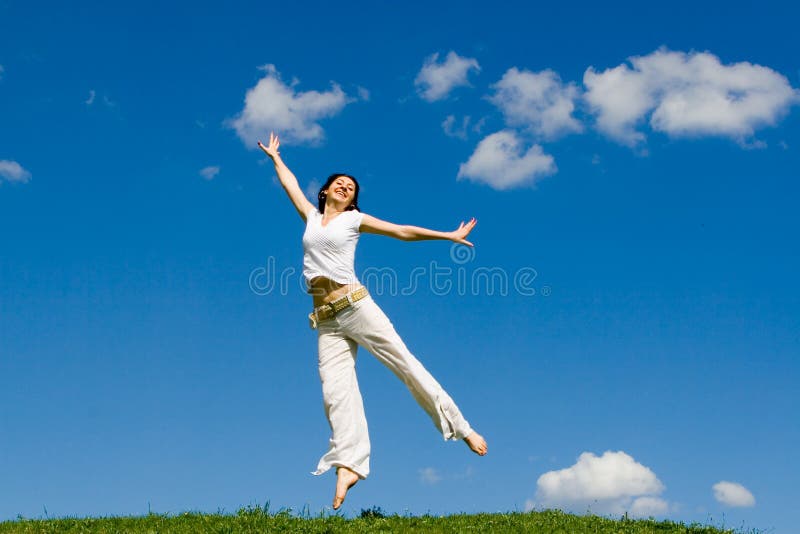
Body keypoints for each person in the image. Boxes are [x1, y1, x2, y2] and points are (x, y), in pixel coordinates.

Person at [258, 133, 488, 510]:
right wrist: (276, 159)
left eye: (351, 187)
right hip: (327, 320)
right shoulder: (311, 218)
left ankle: (462, 428)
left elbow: (401, 231)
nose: (345, 188)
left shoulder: (354, 220)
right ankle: (348, 464)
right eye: (339, 184)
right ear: (326, 192)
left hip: (356, 307)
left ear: (353, 199)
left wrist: (449, 235)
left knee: (406, 365)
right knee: (336, 391)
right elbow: (290, 184)